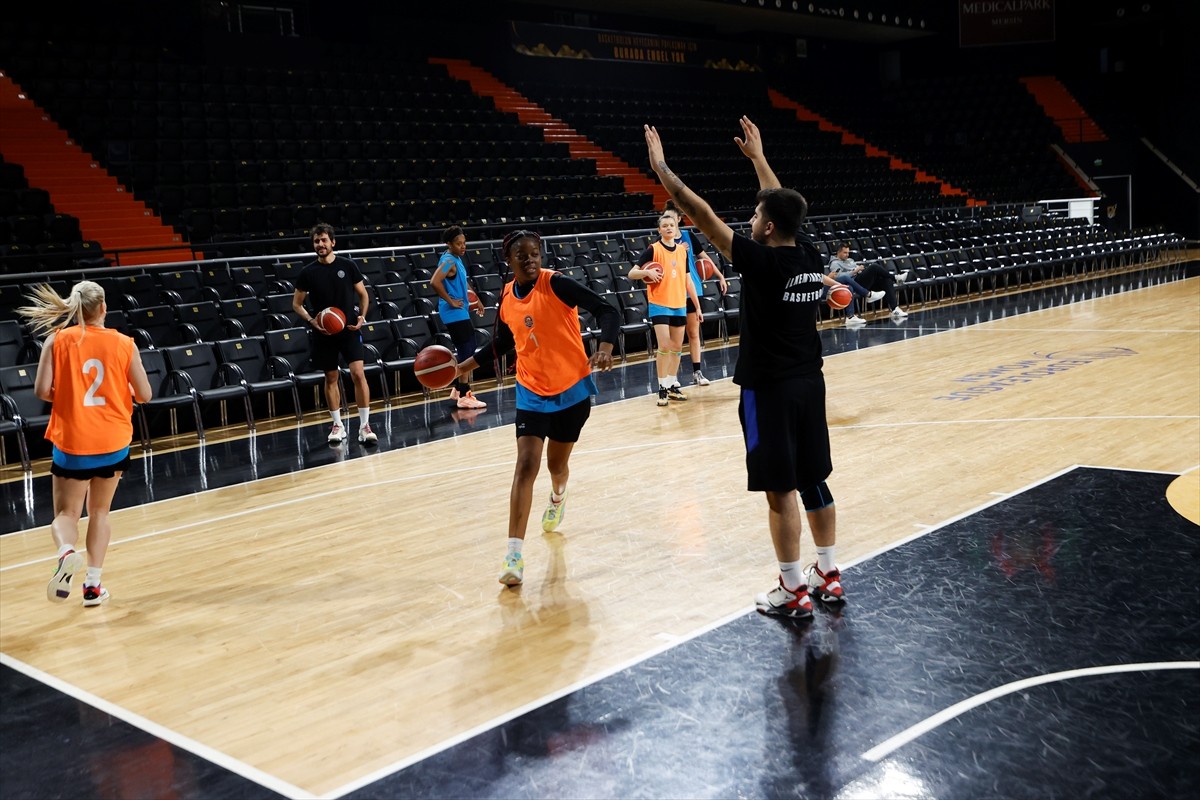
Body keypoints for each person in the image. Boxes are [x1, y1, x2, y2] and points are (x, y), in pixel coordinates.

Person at [645, 116, 846, 619]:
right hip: (808, 383)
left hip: (767, 390)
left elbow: (698, 210)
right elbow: (781, 204)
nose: (751, 219)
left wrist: (661, 166)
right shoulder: (806, 253)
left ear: (768, 227)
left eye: (756, 215)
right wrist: (758, 160)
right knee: (814, 481)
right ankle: (829, 573)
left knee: (779, 491)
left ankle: (793, 588)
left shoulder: (758, 260)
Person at [454, 229, 620, 587]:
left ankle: (558, 495)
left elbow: (607, 309)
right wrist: (463, 367)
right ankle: (513, 555)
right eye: (522, 256)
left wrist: (605, 347)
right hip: (530, 390)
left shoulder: (556, 284)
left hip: (571, 390)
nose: (530, 260)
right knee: (526, 464)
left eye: (535, 254)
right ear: (509, 261)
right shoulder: (507, 298)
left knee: (556, 466)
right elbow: (501, 342)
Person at [17, 280, 152, 607]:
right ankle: (92, 586)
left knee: (66, 514)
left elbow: (41, 390)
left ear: (74, 307)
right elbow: (145, 395)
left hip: (74, 440)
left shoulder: (56, 341)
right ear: (103, 308)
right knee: (100, 513)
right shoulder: (124, 344)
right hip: (113, 440)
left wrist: (69, 397)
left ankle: (65, 553)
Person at [292, 223, 377, 445]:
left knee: (359, 374)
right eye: (316, 241)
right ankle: (338, 425)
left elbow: (363, 295)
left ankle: (364, 426)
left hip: (349, 329)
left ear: (333, 242)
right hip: (324, 332)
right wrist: (312, 320)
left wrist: (362, 317)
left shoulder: (347, 266)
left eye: (323, 240)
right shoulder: (307, 272)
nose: (320, 244)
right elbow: (296, 304)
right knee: (331, 378)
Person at [628, 212, 703, 406]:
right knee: (664, 346)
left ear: (676, 227)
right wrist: (647, 272)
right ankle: (661, 387)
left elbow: (688, 281)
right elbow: (631, 273)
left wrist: (697, 305)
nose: (669, 228)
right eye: (665, 226)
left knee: (677, 347)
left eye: (672, 225)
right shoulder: (653, 249)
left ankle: (671, 385)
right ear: (659, 230)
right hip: (660, 304)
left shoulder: (682, 251)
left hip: (679, 304)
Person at [663, 201, 728, 386]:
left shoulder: (688, 236)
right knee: (675, 337)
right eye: (665, 218)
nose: (669, 221)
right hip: (673, 292)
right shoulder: (662, 242)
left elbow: (704, 259)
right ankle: (672, 376)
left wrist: (720, 275)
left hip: (693, 290)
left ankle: (697, 372)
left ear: (678, 220)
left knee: (693, 333)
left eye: (672, 218)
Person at [431, 224, 487, 410]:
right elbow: (434, 282)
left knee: (468, 347)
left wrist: (476, 299)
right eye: (458, 243)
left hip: (460, 311)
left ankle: (458, 390)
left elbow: (463, 282)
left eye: (464, 243)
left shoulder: (456, 259)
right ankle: (464, 394)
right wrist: (451, 301)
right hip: (453, 312)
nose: (463, 246)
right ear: (449, 244)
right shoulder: (448, 261)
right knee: (467, 349)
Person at [826, 242, 908, 325]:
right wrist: (854, 271)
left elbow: (856, 269)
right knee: (874, 267)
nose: (847, 255)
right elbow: (839, 278)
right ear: (839, 252)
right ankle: (895, 278)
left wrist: (861, 269)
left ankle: (895, 309)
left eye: (848, 252)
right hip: (854, 282)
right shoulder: (835, 263)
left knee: (886, 280)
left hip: (861, 280)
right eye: (845, 253)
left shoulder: (850, 260)